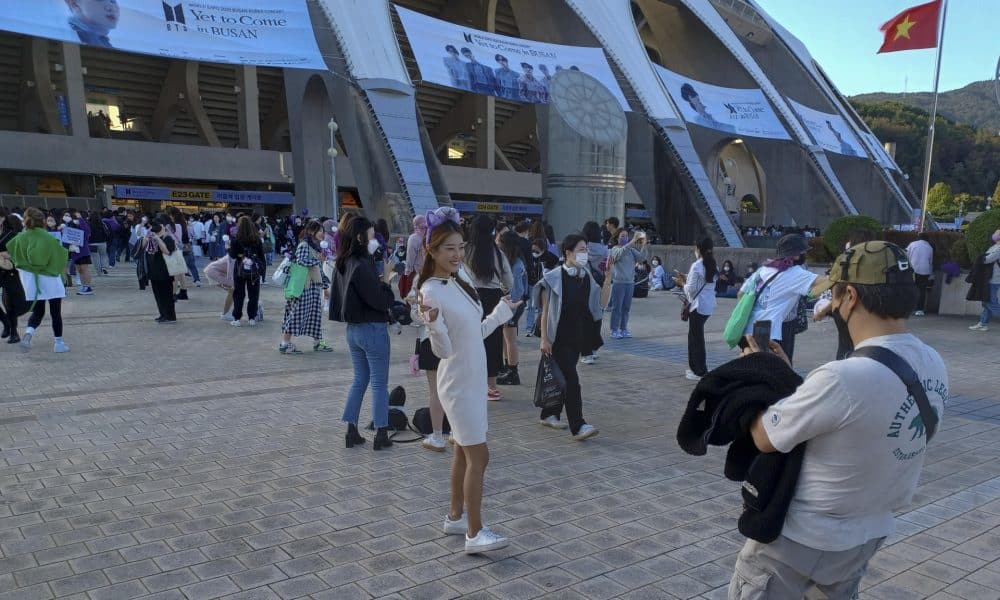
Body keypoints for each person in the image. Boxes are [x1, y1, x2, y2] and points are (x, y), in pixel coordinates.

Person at [730, 241, 947, 600]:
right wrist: (791, 380)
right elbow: (854, 422)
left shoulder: (843, 378)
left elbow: (765, 436)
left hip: (800, 539)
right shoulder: (933, 362)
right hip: (866, 534)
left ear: (850, 297)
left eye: (832, 296)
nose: (828, 306)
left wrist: (760, 373)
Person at [416, 211, 519, 554]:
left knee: (463, 451)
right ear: (432, 250)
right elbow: (444, 349)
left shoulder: (460, 280)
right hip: (458, 383)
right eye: (448, 248)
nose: (457, 254)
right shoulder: (431, 291)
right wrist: (433, 325)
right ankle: (474, 533)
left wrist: (501, 314)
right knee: (480, 456)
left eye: (460, 247)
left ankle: (456, 517)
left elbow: (474, 334)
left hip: (473, 379)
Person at [330, 216, 396, 451]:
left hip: (354, 330)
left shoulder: (343, 261)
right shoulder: (362, 263)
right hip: (372, 329)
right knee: (379, 383)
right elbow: (380, 300)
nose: (374, 240)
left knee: (359, 380)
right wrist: (387, 280)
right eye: (371, 235)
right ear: (360, 237)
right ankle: (381, 433)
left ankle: (351, 430)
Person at [536, 234, 602, 439]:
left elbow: (599, 304)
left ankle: (549, 414)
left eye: (586, 250)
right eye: (581, 250)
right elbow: (545, 312)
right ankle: (579, 425)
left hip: (577, 337)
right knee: (572, 381)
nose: (585, 254)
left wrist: (608, 277)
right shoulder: (554, 277)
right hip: (558, 338)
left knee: (560, 378)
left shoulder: (585, 276)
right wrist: (544, 339)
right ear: (568, 253)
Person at [739, 234, 816, 363]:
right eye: (803, 251)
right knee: (780, 366)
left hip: (753, 326)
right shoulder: (795, 272)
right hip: (779, 327)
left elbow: (741, 294)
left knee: (756, 365)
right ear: (796, 254)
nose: (804, 254)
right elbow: (822, 284)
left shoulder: (763, 269)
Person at [6, 208, 71, 352]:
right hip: (50, 279)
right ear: (42, 221)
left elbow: (11, 251)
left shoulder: (20, 237)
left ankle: (29, 333)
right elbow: (60, 258)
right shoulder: (49, 238)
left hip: (31, 281)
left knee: (38, 312)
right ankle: (58, 343)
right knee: (55, 313)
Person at [464, 215, 513, 401]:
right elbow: (509, 281)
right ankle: (491, 387)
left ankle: (469, 383)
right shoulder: (498, 253)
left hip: (470, 297)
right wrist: (503, 290)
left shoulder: (465, 250)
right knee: (493, 342)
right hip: (493, 298)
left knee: (469, 339)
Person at [279, 221, 333, 354]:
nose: (322, 233)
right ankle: (285, 344)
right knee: (296, 314)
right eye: (319, 231)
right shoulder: (304, 245)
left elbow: (319, 270)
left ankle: (318, 342)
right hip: (302, 288)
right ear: (311, 232)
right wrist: (318, 260)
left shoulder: (315, 247)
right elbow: (301, 261)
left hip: (313, 289)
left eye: (323, 231)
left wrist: (325, 288)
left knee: (315, 316)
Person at [674, 239, 718, 381]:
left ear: (698, 249)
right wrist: (687, 278)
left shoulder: (697, 265)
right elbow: (707, 282)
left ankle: (698, 370)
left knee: (695, 339)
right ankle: (701, 368)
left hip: (697, 306)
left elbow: (691, 290)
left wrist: (681, 283)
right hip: (708, 305)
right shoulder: (712, 263)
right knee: (698, 337)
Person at [497, 231, 528, 386]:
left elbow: (517, 291)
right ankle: (506, 367)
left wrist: (510, 311)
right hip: (509, 305)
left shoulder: (515, 265)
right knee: (506, 338)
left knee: (510, 340)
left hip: (512, 306)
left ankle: (512, 371)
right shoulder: (512, 261)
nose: (497, 243)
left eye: (499, 241)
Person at [607, 229, 648, 339]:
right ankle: (614, 329)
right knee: (617, 308)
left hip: (630, 283)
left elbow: (641, 258)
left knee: (626, 308)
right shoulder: (615, 249)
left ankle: (623, 328)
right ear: (617, 238)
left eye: (626, 236)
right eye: (622, 236)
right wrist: (632, 241)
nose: (625, 238)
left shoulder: (631, 250)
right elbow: (620, 254)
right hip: (619, 283)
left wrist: (644, 245)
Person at [228, 216, 266, 327]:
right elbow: (261, 256)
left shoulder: (236, 239)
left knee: (239, 294)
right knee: (253, 294)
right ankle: (252, 318)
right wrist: (262, 272)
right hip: (254, 270)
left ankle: (237, 318)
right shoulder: (256, 239)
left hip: (240, 268)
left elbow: (233, 255)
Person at [142, 224, 178, 324]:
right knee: (158, 295)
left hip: (166, 271)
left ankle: (170, 317)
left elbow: (167, 251)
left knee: (167, 295)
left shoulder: (168, 238)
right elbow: (142, 247)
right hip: (154, 271)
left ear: (163, 226)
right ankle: (162, 314)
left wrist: (158, 239)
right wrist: (147, 236)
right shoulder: (151, 237)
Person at [0, 214, 26, 344]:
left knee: (9, 303)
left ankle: (14, 332)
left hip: (10, 271)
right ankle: (5, 322)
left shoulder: (12, 235)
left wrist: (7, 255)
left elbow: (20, 254)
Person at [968, 230, 1000, 332]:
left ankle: (983, 323)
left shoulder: (998, 248)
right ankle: (983, 323)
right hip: (988, 278)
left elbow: (988, 259)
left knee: (990, 302)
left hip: (994, 278)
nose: (995, 235)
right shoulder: (995, 246)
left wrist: (980, 258)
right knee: (987, 302)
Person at [905, 233, 934, 316]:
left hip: (912, 270)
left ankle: (908, 308)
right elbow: (930, 262)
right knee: (922, 290)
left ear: (918, 238)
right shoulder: (929, 248)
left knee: (910, 289)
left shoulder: (912, 244)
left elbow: (906, 255)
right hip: (925, 271)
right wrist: (931, 274)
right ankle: (920, 309)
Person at [68, 211, 94, 295]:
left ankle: (88, 287)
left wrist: (80, 219)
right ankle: (84, 286)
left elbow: (87, 231)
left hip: (83, 251)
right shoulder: (70, 225)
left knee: (84, 269)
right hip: (74, 251)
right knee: (79, 270)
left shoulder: (84, 225)